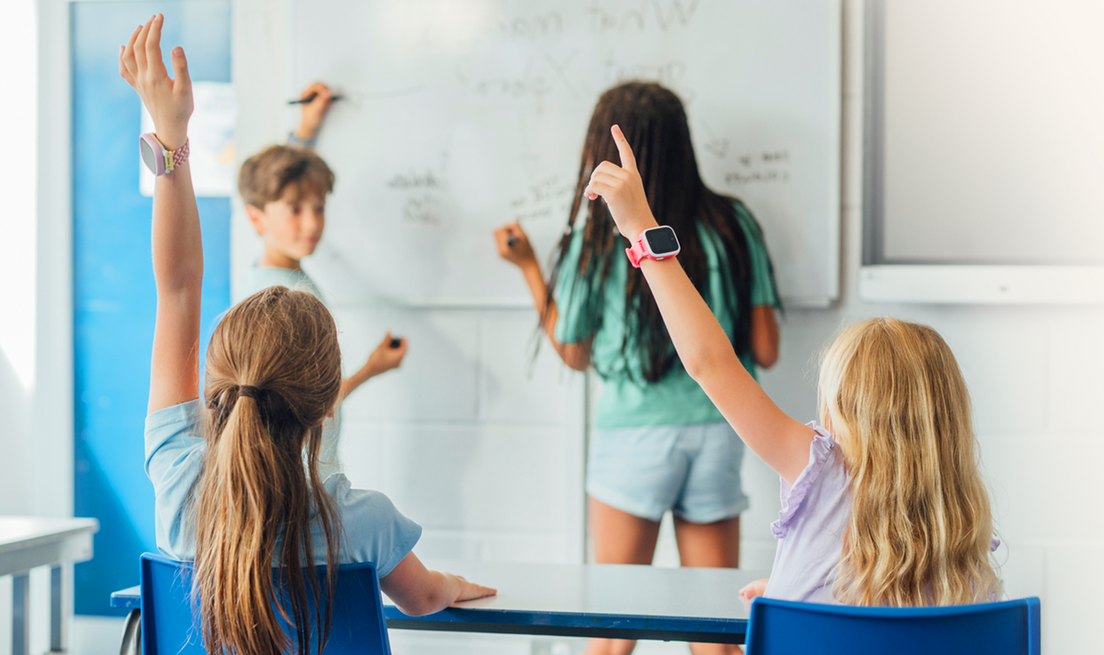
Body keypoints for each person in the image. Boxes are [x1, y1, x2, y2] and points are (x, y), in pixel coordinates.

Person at [121, 16, 492, 655]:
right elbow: (425, 597)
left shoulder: (179, 482)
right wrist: (454, 585)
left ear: (220, 379)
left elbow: (177, 287)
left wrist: (170, 138)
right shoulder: (361, 521)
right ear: (326, 403)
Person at [586, 124, 1002, 607]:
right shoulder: (967, 538)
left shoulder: (822, 470)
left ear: (843, 409)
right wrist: (798, 593)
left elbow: (711, 364)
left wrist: (640, 228)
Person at [493, 82, 780, 655]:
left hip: (634, 438)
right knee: (715, 633)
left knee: (613, 630)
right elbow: (767, 348)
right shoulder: (734, 224)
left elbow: (572, 352)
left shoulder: (600, 237)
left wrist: (528, 267)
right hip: (721, 431)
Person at [238, 80, 406, 477]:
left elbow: (278, 185)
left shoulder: (269, 270)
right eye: (295, 210)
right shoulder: (282, 297)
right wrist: (371, 368)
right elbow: (309, 405)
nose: (312, 223)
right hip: (301, 480)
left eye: (319, 207)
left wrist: (305, 133)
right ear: (256, 217)